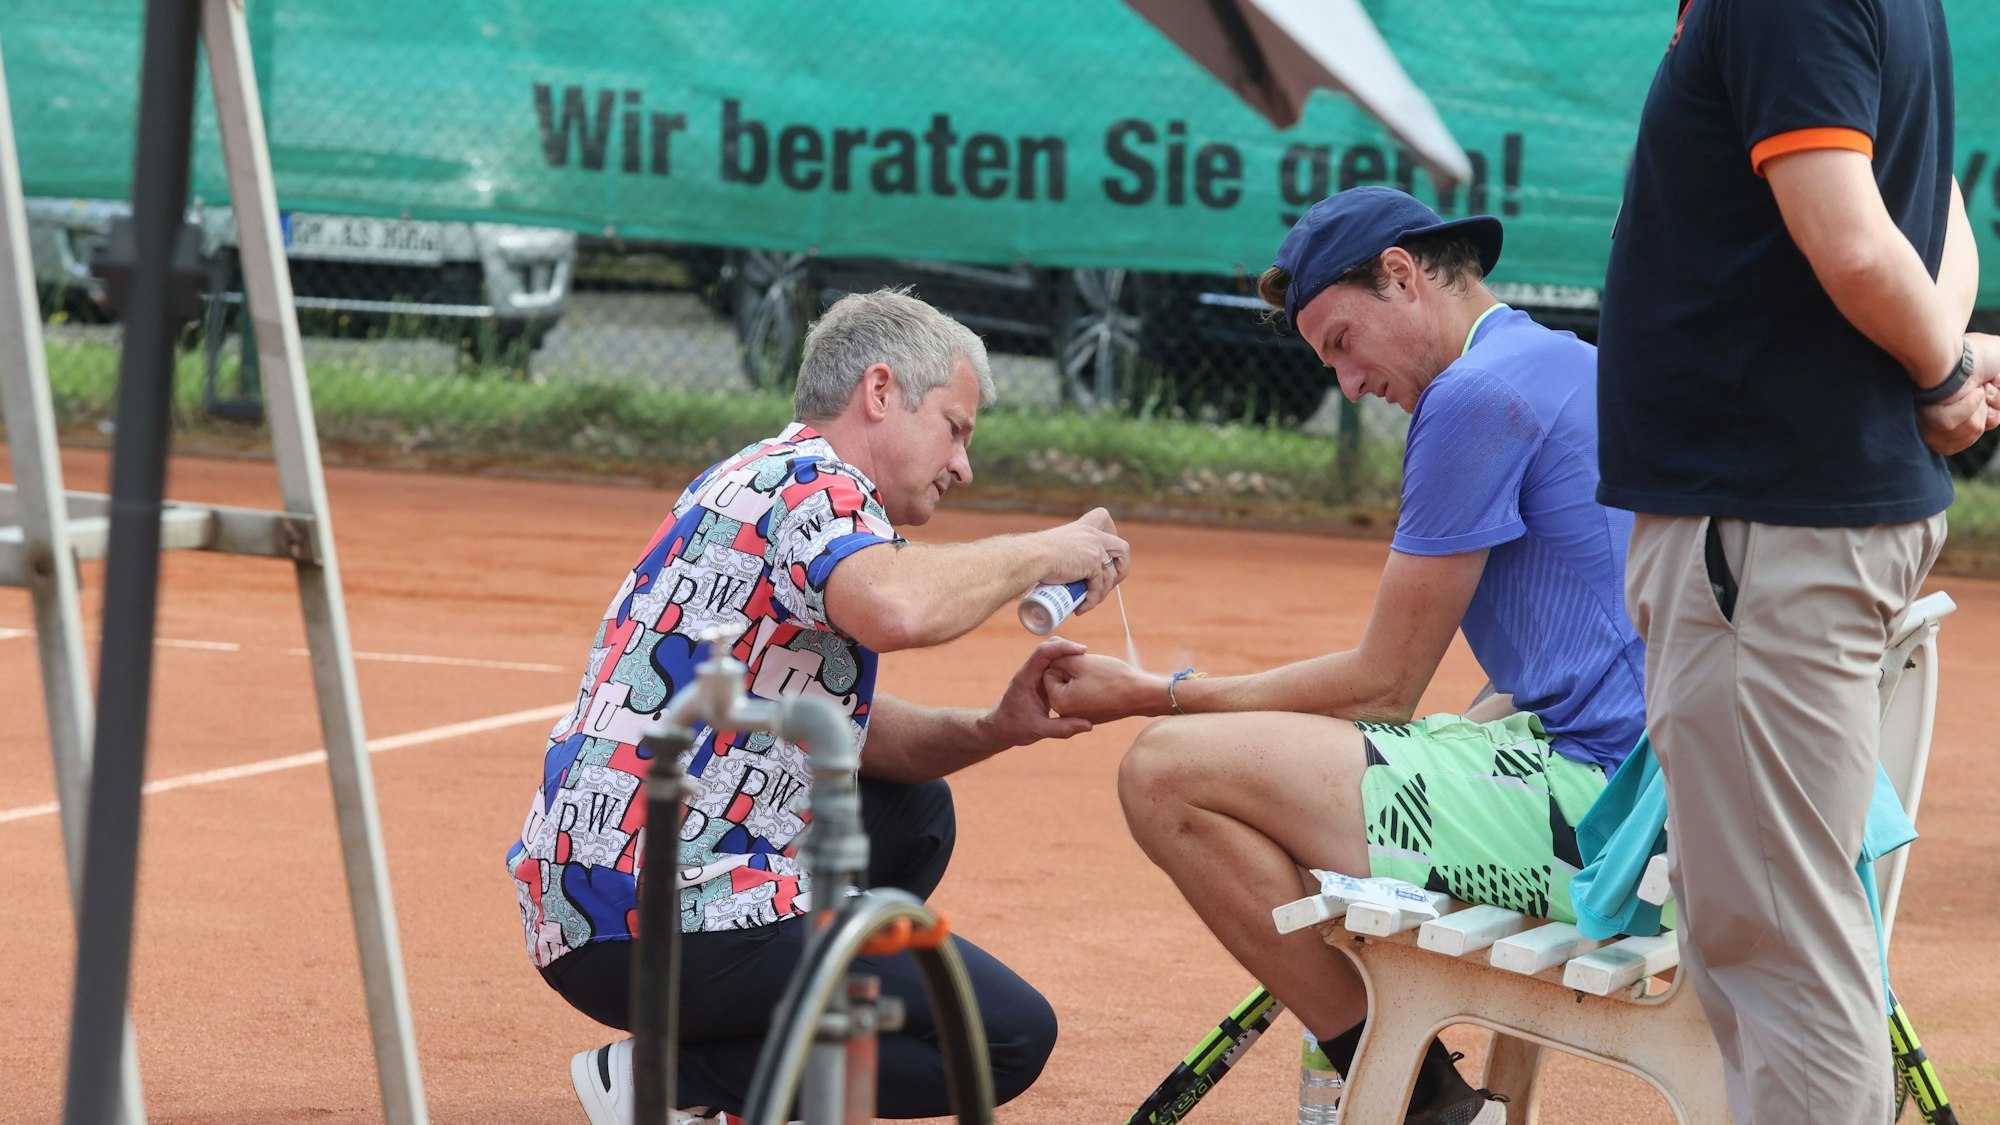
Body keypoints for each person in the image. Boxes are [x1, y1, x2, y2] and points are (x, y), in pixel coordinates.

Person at [1041, 185, 1647, 1123]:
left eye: (1341, 343)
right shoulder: (1566, 361)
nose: (1349, 384)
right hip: (1658, 804)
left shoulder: (1473, 397)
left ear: (1401, 278)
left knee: (1165, 772)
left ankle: (1421, 1101)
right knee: (1297, 763)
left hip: (1608, 833)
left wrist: (1155, 693)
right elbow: (1589, 640)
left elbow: (1383, 684)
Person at [507, 288, 1131, 1123]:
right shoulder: (816, 485)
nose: (962, 465)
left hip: (600, 905)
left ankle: (721, 1063)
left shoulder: (757, 474)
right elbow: (900, 610)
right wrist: (1048, 549)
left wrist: (996, 727)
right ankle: (680, 1084)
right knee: (1005, 1039)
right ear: (879, 392)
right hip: (650, 915)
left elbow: (856, 732)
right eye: (954, 427)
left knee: (914, 811)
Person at [1595, 1, 1999, 1120]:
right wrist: (1944, 362)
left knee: (1780, 953)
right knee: (1770, 942)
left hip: (1762, 525)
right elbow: (1936, 220)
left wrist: (1934, 375)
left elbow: (1861, 240)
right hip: (1778, 523)